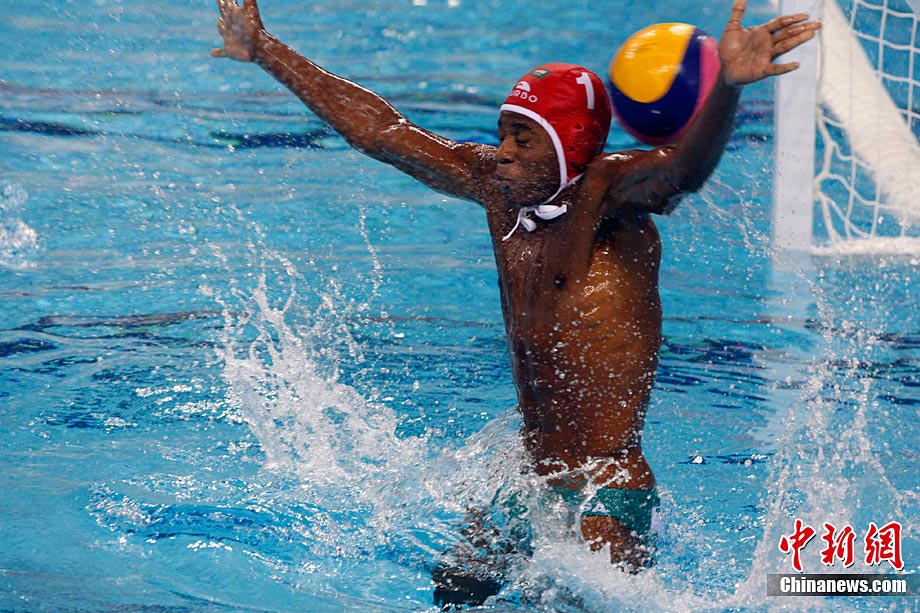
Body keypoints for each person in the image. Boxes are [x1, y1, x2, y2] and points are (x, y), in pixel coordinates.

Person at [212, 0, 819, 606]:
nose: (502, 151)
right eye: (503, 133)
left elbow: (680, 174)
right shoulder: (497, 190)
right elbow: (382, 133)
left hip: (604, 490)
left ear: (569, 143)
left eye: (522, 138)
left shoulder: (607, 198)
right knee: (455, 591)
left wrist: (728, 87)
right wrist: (265, 49)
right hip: (530, 483)